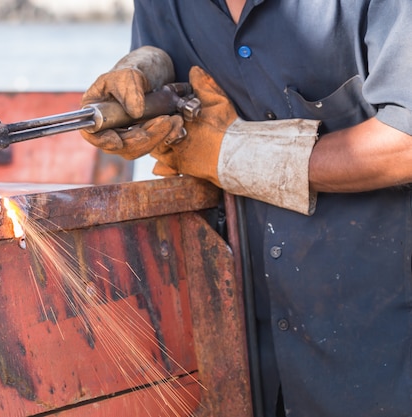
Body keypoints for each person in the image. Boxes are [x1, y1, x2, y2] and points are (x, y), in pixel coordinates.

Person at [80, 1, 412, 416]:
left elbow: (406, 142)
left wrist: (235, 154)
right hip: (238, 348)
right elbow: (170, 82)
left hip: (379, 345)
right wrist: (145, 74)